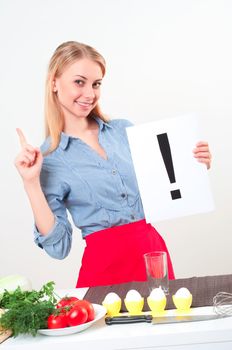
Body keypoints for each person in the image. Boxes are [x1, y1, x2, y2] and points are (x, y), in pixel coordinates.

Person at [15, 41, 212, 288]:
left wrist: (195, 166)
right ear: (54, 82)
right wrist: (31, 183)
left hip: (153, 258)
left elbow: (166, 189)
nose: (90, 94)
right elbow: (58, 248)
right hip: (104, 271)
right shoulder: (48, 158)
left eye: (96, 84)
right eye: (79, 82)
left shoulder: (124, 131)